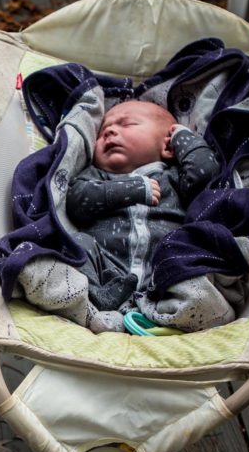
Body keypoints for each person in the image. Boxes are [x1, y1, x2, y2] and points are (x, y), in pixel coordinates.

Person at [65, 100, 218, 311]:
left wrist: (183, 137)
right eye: (101, 133)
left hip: (163, 271)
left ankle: (169, 307)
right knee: (79, 243)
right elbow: (76, 202)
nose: (109, 131)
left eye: (127, 124)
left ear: (167, 146)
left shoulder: (174, 179)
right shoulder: (97, 177)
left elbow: (206, 174)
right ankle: (97, 297)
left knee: (195, 255)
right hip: (107, 267)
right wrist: (128, 190)